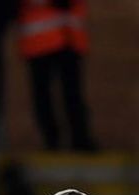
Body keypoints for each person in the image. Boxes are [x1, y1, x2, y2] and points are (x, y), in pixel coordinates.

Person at [17, 0, 96, 150]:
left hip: (68, 38)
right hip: (39, 40)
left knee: (72, 94)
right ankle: (53, 140)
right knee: (44, 95)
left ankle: (79, 139)